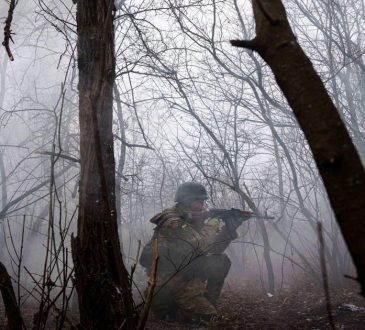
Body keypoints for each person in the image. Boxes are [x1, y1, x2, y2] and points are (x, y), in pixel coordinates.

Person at [140, 182, 245, 324]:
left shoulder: (189, 221)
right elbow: (199, 245)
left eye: (203, 201)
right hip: (168, 286)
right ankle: (173, 312)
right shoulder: (172, 221)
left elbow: (212, 250)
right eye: (198, 201)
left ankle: (205, 305)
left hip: (185, 280)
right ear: (186, 201)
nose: (202, 205)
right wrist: (213, 223)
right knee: (207, 317)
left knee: (221, 261)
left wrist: (230, 228)